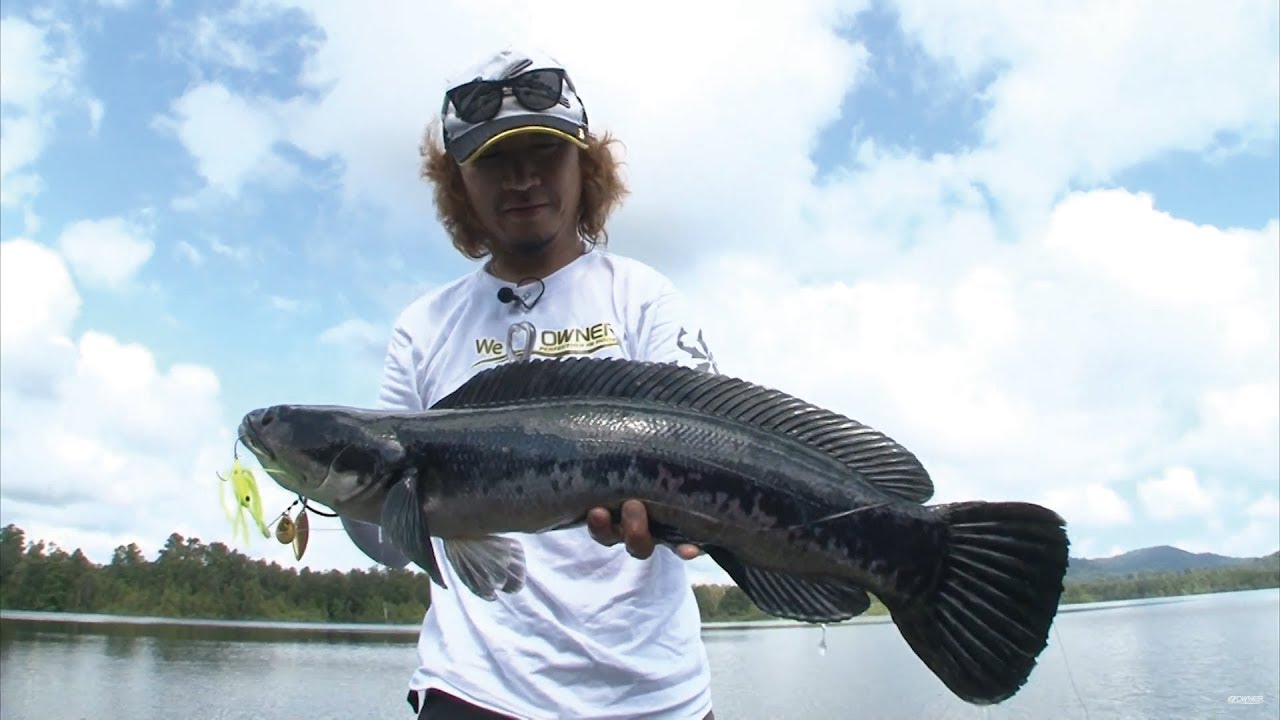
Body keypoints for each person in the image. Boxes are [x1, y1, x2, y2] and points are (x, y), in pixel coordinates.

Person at [357, 47, 721, 720]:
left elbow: (709, 460)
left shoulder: (643, 298)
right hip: (472, 691)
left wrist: (689, 522)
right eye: (494, 160)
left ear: (585, 168)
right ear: (458, 183)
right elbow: (389, 531)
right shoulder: (422, 327)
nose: (522, 179)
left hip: (650, 700)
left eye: (545, 154)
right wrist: (337, 496)